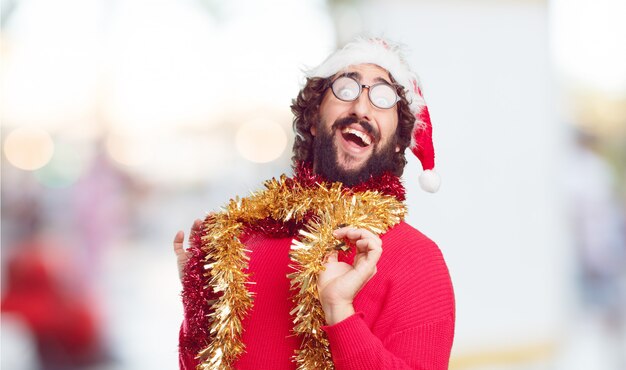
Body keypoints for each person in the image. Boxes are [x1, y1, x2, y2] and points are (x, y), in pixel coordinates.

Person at [173, 37, 455, 370]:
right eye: (346, 89)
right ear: (312, 119)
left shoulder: (418, 259)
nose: (361, 108)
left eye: (382, 99)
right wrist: (200, 300)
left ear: (398, 143)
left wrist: (340, 312)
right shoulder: (245, 242)